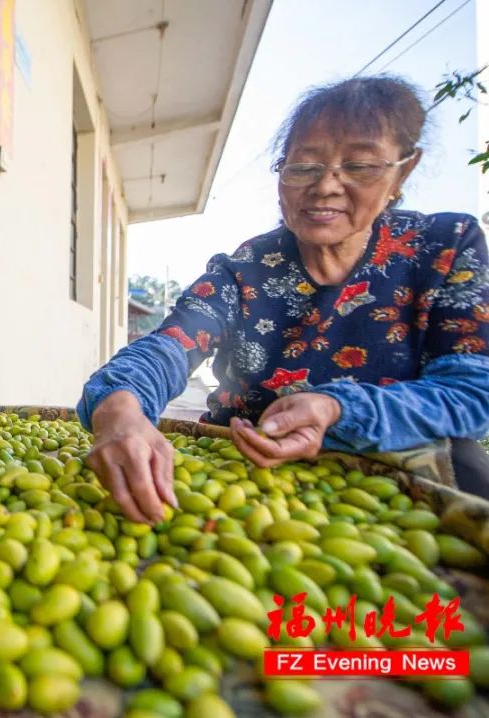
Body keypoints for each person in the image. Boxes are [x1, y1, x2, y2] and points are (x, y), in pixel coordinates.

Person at [78, 75, 489, 524]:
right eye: (305, 167)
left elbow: (471, 392)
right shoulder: (247, 269)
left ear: (402, 172)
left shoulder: (444, 248)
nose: (327, 186)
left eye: (361, 166)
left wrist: (337, 410)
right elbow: (171, 343)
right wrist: (120, 404)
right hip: (251, 473)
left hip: (397, 471)